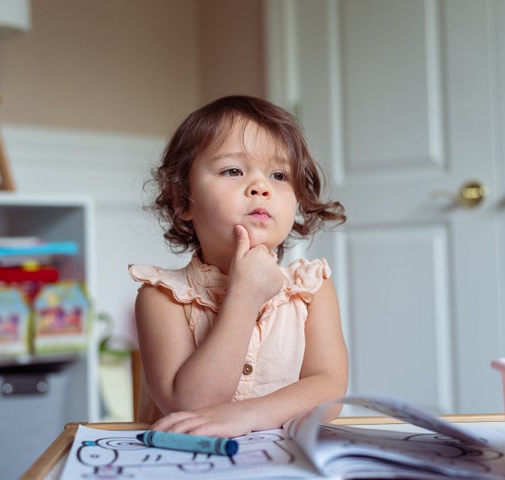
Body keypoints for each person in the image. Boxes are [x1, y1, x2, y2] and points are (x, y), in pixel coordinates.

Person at [129, 95, 348, 437]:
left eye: (278, 175)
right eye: (233, 170)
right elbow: (191, 405)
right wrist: (244, 297)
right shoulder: (162, 297)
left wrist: (249, 415)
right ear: (182, 198)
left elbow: (330, 390)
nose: (260, 187)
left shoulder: (311, 288)